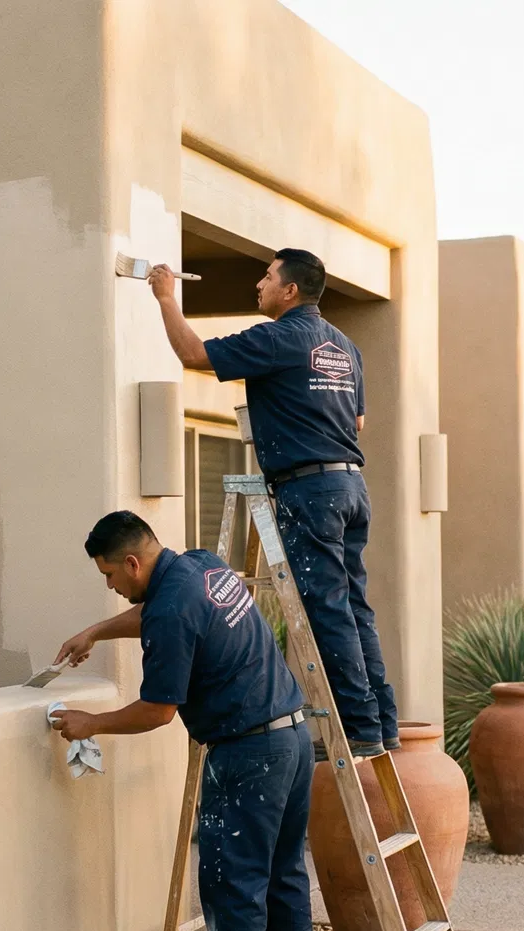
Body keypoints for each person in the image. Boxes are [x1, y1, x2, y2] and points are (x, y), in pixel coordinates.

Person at [52, 511, 321, 931]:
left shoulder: (171, 606)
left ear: (132, 562)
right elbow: (163, 613)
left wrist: (92, 723)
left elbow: (158, 710)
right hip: (292, 738)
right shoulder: (200, 566)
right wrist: (98, 632)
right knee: (283, 874)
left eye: (109, 576)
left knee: (232, 884)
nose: (111, 586)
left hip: (248, 753)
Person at [145, 250, 397, 757]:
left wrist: (166, 297)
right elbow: (358, 424)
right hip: (349, 486)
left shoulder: (280, 337)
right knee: (354, 607)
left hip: (310, 491)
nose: (258, 284)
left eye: (266, 276)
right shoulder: (345, 347)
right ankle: (380, 723)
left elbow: (194, 353)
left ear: (289, 291)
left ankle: (356, 729)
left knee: (326, 610)